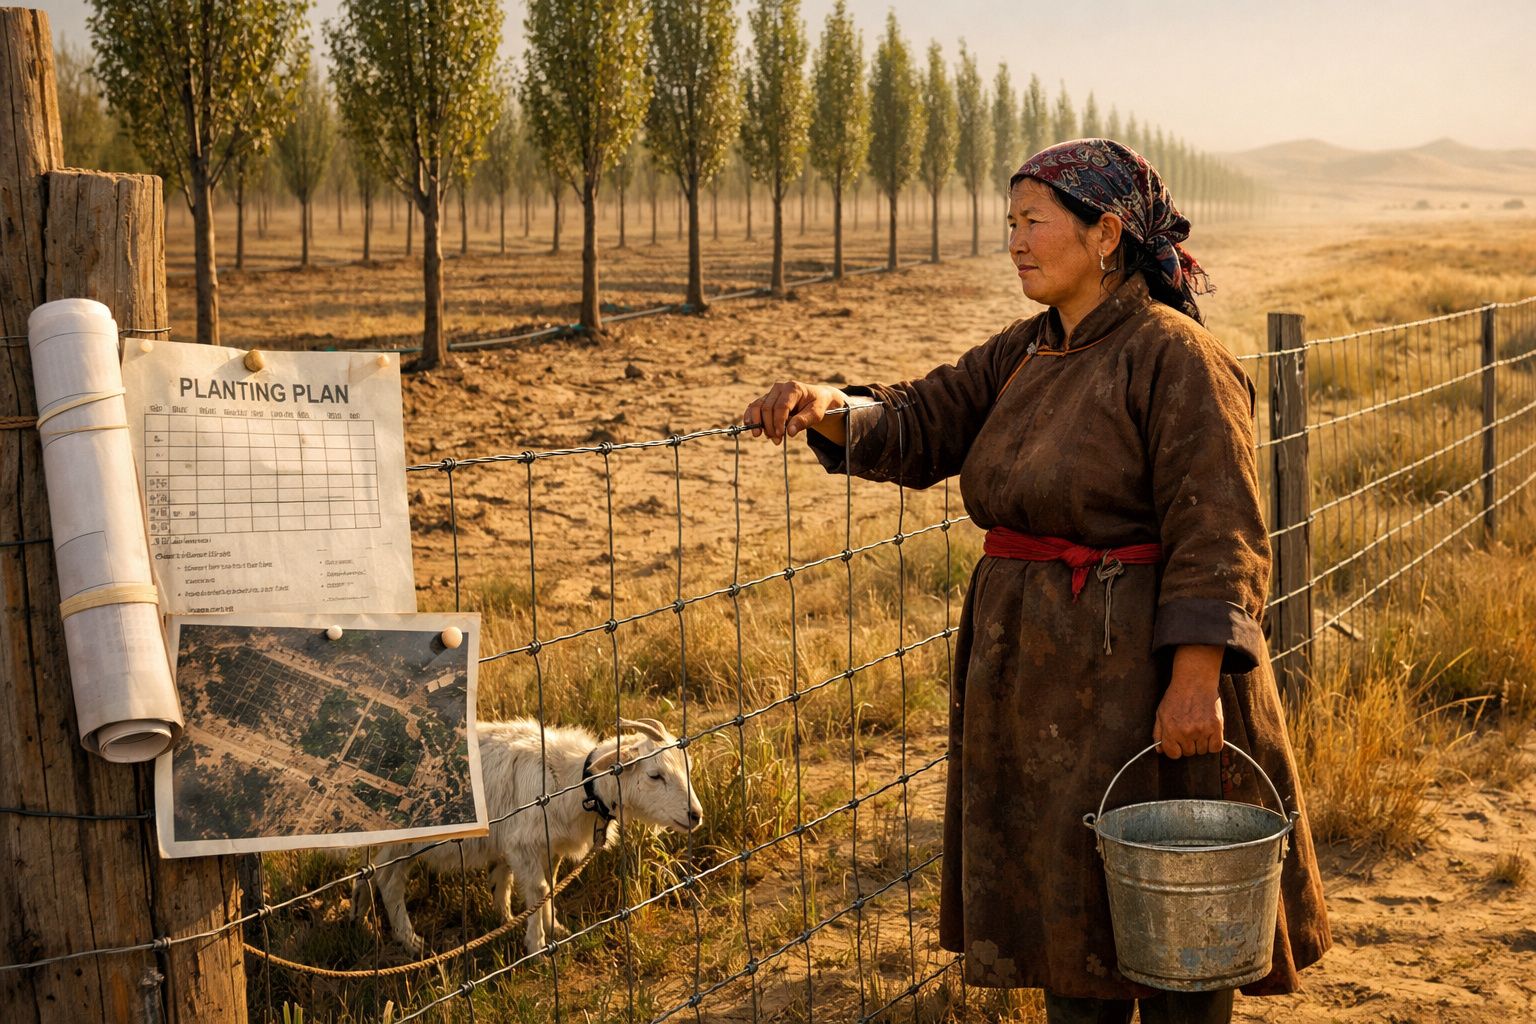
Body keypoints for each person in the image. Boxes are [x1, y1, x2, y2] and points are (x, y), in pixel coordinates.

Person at [743, 139, 1330, 1024]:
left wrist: (1197, 681)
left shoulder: (1175, 357)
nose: (1014, 241)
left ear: (1105, 234)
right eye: (1008, 222)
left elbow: (1221, 530)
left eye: (1033, 222)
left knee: (1175, 939)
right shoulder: (1025, 351)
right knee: (1072, 937)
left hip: (1145, 682)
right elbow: (921, 419)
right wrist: (828, 406)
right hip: (1039, 692)